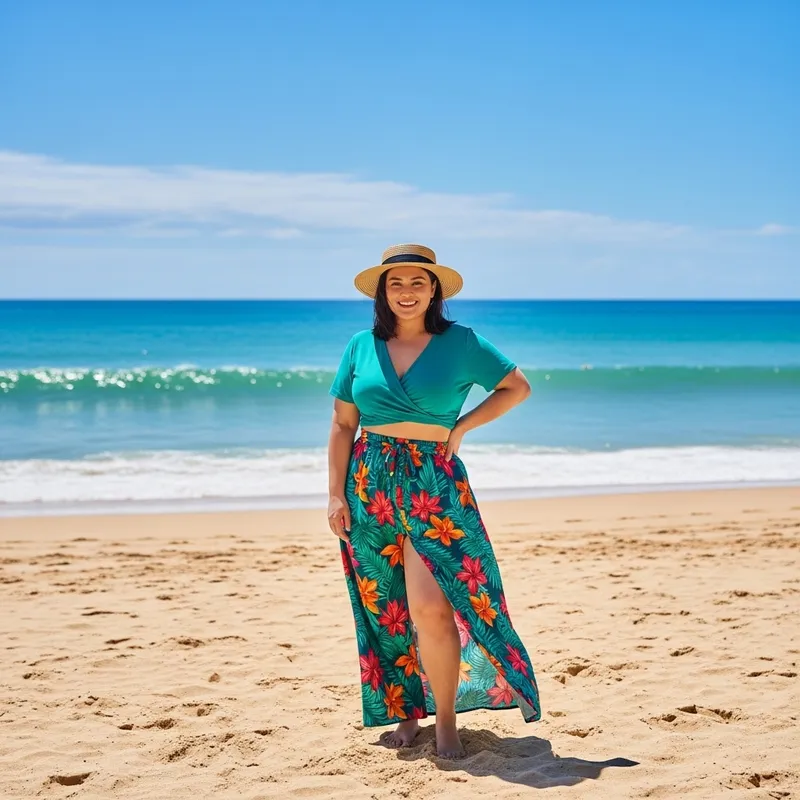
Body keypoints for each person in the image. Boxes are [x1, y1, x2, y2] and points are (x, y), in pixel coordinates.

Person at [327, 243, 541, 759]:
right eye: (396, 283)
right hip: (369, 483)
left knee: (430, 605)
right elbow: (342, 424)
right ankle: (407, 714)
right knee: (388, 609)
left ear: (434, 290)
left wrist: (461, 426)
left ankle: (446, 720)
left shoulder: (461, 342)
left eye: (417, 282)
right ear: (383, 292)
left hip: (433, 484)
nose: (407, 292)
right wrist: (335, 494)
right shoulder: (360, 345)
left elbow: (516, 387)